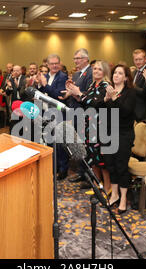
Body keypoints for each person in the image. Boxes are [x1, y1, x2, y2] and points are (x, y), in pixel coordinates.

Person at [64, 60, 112, 193]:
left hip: (100, 125)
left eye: (99, 69)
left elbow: (96, 103)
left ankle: (107, 187)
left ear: (105, 72)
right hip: (89, 124)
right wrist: (75, 93)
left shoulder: (105, 85)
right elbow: (86, 101)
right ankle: (97, 184)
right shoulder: (92, 84)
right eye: (95, 69)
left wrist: (80, 94)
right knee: (92, 156)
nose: (96, 71)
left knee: (101, 159)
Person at [105, 65, 136, 215]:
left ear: (125, 77)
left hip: (123, 134)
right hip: (108, 132)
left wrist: (114, 97)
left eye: (120, 73)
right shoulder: (110, 90)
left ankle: (123, 198)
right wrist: (105, 99)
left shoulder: (130, 93)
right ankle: (115, 194)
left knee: (121, 166)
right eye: (114, 73)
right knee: (110, 165)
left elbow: (126, 112)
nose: (116, 75)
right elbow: (103, 112)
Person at [39, 54, 69, 180]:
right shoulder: (46, 76)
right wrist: (40, 85)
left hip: (58, 114)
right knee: (50, 142)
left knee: (60, 143)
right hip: (46, 113)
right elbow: (42, 92)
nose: (54, 65)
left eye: (56, 63)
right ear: (48, 64)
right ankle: (54, 166)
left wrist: (45, 85)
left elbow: (58, 95)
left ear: (60, 63)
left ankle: (63, 169)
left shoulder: (62, 77)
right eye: (52, 63)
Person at [66, 48, 93, 187]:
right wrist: (69, 91)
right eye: (74, 58)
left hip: (84, 113)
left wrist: (76, 92)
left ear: (85, 59)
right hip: (75, 111)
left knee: (84, 144)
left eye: (78, 58)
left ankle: (88, 176)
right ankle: (81, 172)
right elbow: (75, 94)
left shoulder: (91, 73)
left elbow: (88, 95)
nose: (75, 61)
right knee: (78, 144)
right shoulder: (77, 74)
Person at [131, 49, 146, 122]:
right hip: (132, 110)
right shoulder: (133, 72)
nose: (138, 62)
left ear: (145, 59)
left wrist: (132, 85)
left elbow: (145, 92)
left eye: (140, 59)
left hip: (142, 111)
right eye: (136, 59)